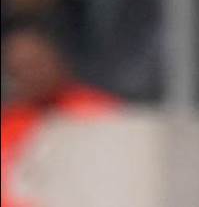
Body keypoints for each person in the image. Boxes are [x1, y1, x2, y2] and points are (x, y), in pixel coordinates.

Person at [1, 20, 121, 206]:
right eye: (18, 69)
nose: (30, 74)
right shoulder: (9, 122)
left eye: (35, 64)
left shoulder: (99, 111)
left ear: (58, 59)